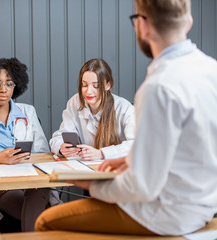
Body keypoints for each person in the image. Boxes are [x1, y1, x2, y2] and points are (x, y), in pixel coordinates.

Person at [35, 0, 217, 236]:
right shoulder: (211, 70)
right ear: (188, 22)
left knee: (45, 222)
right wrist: (132, 159)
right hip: (205, 206)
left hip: (167, 215)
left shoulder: (157, 87)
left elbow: (141, 187)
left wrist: (92, 184)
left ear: (142, 25)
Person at [0, 57, 60, 232]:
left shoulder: (27, 111)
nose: (3, 89)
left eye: (9, 84)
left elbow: (42, 152)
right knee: (43, 214)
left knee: (39, 188)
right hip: (1, 187)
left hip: (31, 180)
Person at [50, 58, 135, 161]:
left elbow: (136, 145)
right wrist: (61, 148)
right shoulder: (75, 102)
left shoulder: (124, 108)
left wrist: (101, 153)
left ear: (108, 85)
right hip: (84, 169)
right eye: (84, 85)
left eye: (96, 86)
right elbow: (58, 137)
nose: (89, 92)